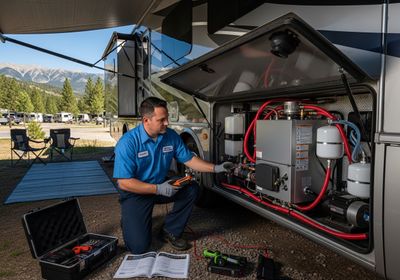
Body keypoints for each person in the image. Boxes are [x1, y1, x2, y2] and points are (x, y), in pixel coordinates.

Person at [113, 97, 233, 254]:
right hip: (136, 192)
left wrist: (216, 168)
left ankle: (170, 230)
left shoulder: (170, 136)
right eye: (161, 119)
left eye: (167, 118)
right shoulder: (128, 143)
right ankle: (130, 220)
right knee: (139, 247)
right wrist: (157, 189)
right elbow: (124, 183)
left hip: (160, 184)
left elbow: (189, 159)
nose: (167, 123)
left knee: (192, 188)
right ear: (146, 120)